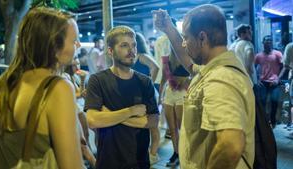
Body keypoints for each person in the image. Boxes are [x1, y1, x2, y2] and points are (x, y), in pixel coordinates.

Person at [153, 4, 255, 169]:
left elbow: (231, 145)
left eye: (186, 38)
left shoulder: (221, 79)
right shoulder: (212, 69)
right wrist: (169, 29)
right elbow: (188, 62)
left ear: (202, 38)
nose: (184, 44)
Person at [0, 7, 83, 168]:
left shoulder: (1, 86)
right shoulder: (58, 89)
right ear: (55, 47)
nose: (79, 44)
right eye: (74, 40)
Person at [84, 26, 159, 169]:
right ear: (110, 51)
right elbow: (93, 120)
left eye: (134, 45)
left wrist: (109, 116)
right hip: (108, 162)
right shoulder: (97, 80)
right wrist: (131, 111)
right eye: (124, 45)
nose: (131, 50)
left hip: (139, 162)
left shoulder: (144, 82)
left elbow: (153, 121)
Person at [132, 32, 160, 165]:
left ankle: (153, 155)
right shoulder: (132, 57)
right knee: (143, 125)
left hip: (148, 95)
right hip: (137, 96)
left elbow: (156, 67)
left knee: (153, 125)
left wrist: (148, 84)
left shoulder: (141, 56)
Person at [255, 35, 283, 128]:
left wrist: (278, 79)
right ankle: (264, 123)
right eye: (266, 40)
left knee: (274, 103)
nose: (268, 42)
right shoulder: (258, 55)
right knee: (262, 103)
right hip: (263, 83)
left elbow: (284, 67)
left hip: (274, 82)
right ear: (263, 42)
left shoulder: (277, 54)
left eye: (270, 40)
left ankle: (273, 122)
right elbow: (253, 68)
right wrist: (256, 79)